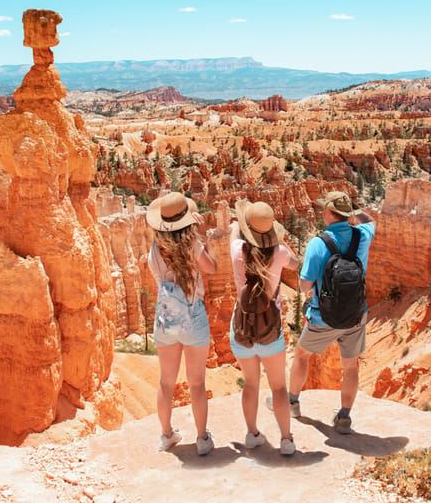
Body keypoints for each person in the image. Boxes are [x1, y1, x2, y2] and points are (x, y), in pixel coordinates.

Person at [281, 190, 375, 434]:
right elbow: (371, 220)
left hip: (324, 317)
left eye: (324, 209)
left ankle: (292, 403)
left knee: (302, 355)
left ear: (327, 213)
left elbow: (304, 284)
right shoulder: (362, 234)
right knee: (351, 366)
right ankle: (344, 417)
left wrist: (310, 293)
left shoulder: (318, 243)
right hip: (355, 314)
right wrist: (354, 212)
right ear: (347, 214)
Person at [146, 191, 218, 455]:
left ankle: (166, 435)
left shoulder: (154, 249)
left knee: (166, 382)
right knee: (196, 383)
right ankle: (202, 439)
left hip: (166, 318)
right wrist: (202, 236)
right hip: (193, 317)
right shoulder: (193, 245)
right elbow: (211, 267)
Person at [229, 200, 299, 456]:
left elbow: (234, 232)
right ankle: (286, 440)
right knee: (279, 387)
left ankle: (252, 434)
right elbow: (294, 263)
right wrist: (279, 241)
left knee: (250, 385)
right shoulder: (279, 252)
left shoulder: (237, 249)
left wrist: (238, 224)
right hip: (271, 328)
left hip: (242, 326)